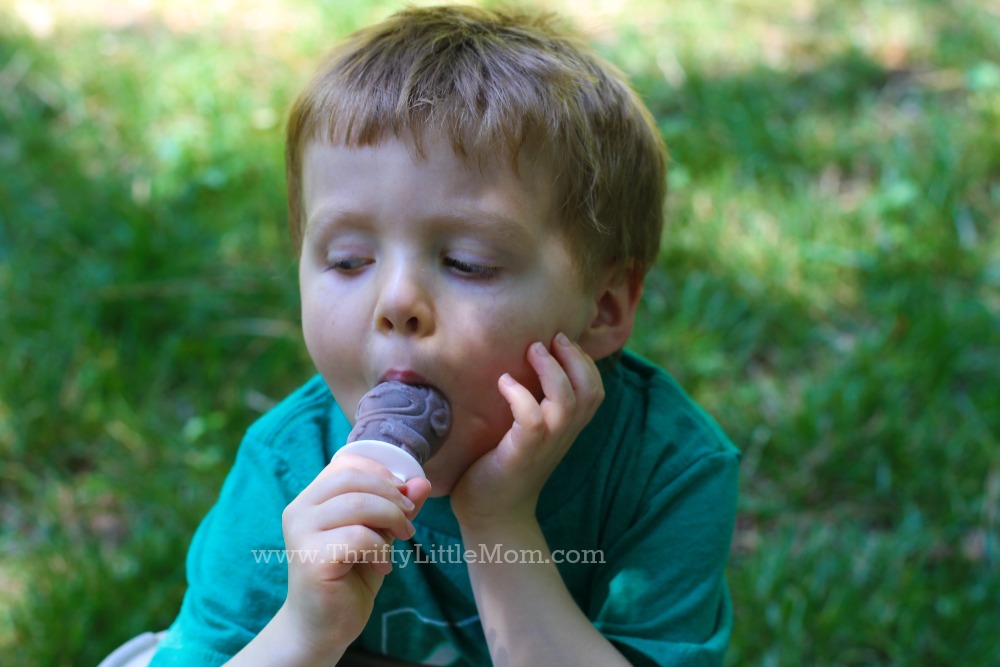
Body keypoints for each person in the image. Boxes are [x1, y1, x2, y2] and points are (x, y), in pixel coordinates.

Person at [147, 5, 740, 666]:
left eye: (468, 263)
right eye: (348, 259)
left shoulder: (665, 468)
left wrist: (498, 522)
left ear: (602, 307)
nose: (397, 300)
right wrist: (304, 629)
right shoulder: (290, 465)